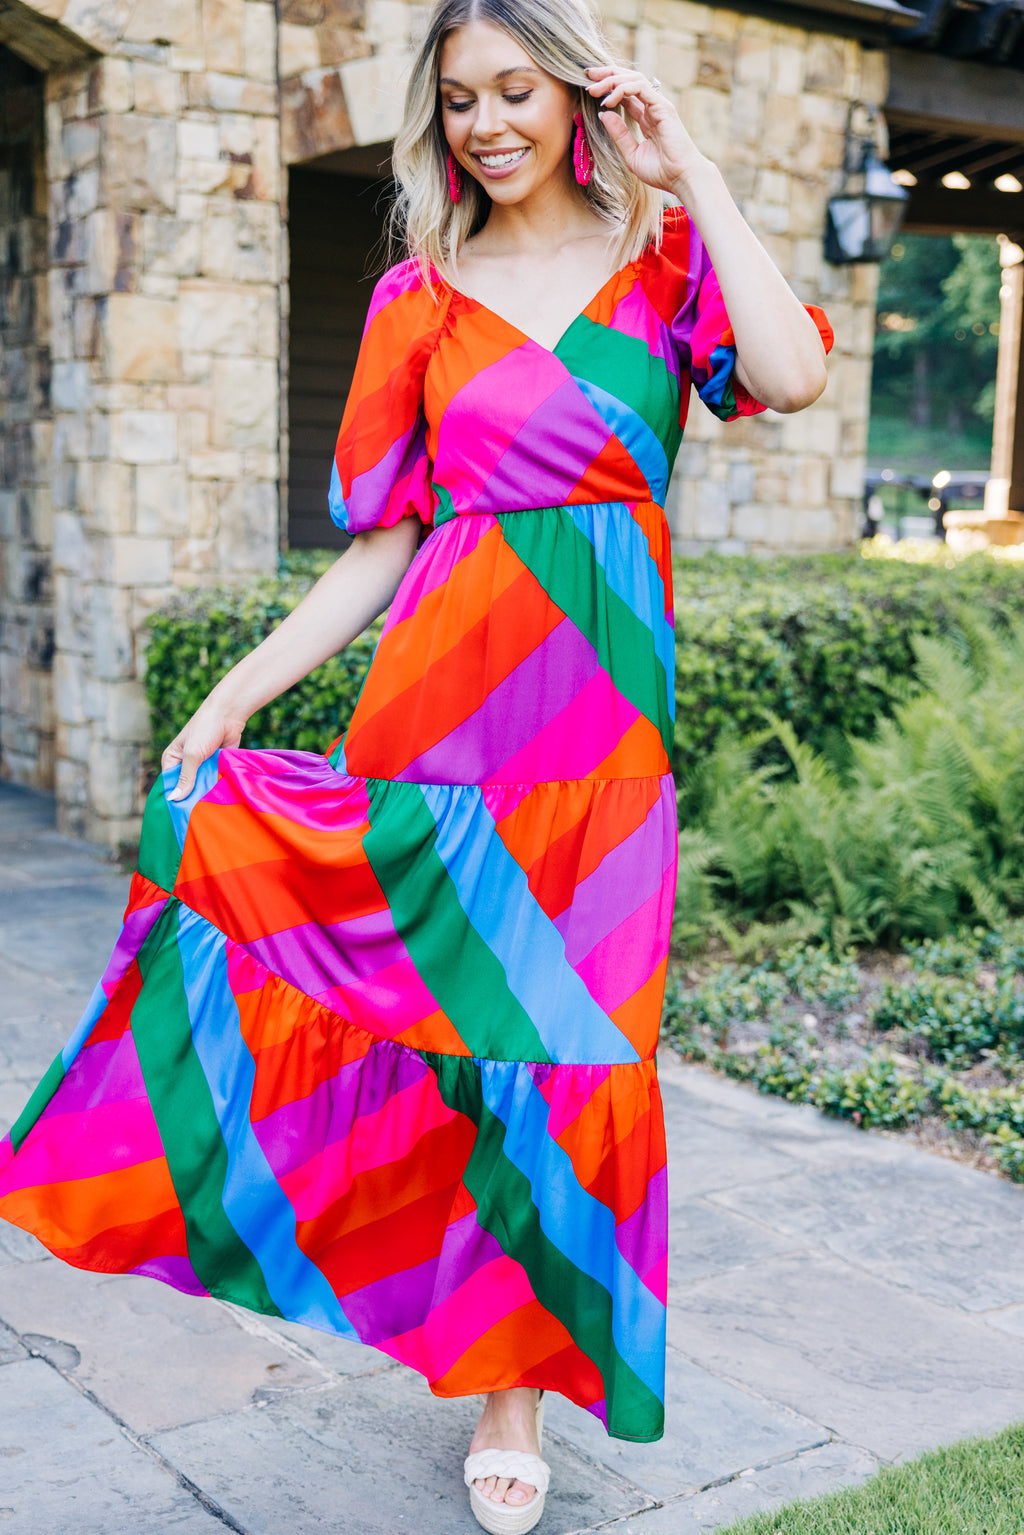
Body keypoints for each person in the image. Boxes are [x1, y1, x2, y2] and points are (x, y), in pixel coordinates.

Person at [0, 0, 831, 1529]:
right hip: (436, 736)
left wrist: (695, 169)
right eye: (459, 100)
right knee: (439, 1048)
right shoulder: (416, 299)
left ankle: (514, 1389)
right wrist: (234, 697)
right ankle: (471, 1354)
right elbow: (381, 549)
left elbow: (788, 376)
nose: (488, 124)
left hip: (603, 758)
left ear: (577, 96)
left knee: (571, 1064)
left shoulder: (667, 262)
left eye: (516, 90)